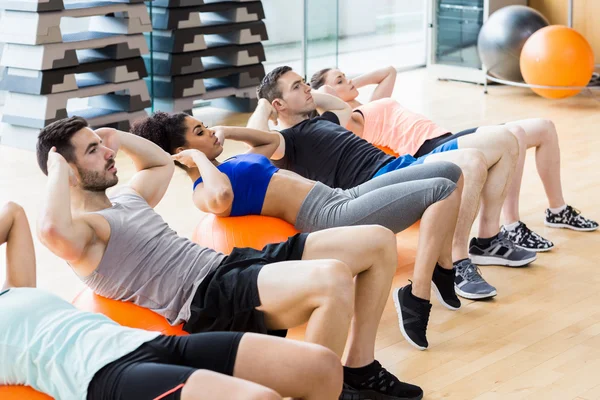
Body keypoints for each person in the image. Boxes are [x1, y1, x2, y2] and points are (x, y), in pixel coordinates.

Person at [35, 117, 424, 399]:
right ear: (67, 171)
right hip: (206, 298)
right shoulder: (85, 232)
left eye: (100, 145)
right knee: (333, 278)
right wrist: (56, 168)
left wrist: (115, 134)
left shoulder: (127, 197)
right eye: (92, 150)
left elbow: (157, 162)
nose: (107, 154)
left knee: (376, 240)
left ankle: (358, 368)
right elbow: (51, 230)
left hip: (228, 266)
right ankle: (324, 387)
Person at [131, 111, 463, 350]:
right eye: (200, 133)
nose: (210, 135)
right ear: (182, 153)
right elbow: (221, 198)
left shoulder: (229, 166)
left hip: (340, 195)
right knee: (440, 189)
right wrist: (195, 160)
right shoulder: (204, 188)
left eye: (204, 127)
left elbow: (271, 141)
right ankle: (419, 293)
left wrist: (226, 131)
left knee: (449, 170)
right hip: (330, 215)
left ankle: (442, 268)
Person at [0, 201, 344, 400]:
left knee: (321, 366)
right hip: (103, 377)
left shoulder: (15, 288)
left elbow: (13, 214)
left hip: (145, 342)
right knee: (258, 399)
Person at [251, 65, 537, 302]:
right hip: (378, 183)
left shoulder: (324, 121)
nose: (306, 89)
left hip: (401, 165)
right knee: (471, 161)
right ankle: (457, 262)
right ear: (279, 104)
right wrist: (265, 106)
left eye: (304, 83)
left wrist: (307, 92)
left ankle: (486, 241)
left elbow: (338, 105)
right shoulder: (285, 142)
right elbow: (252, 143)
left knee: (505, 140)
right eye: (296, 87)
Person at [309, 66, 598, 251]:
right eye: (340, 79)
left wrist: (348, 84)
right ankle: (511, 226)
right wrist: (330, 90)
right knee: (517, 135)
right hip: (428, 151)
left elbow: (388, 72)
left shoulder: (370, 104)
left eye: (346, 74)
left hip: (447, 136)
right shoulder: (349, 122)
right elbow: (323, 95)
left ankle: (557, 210)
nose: (348, 79)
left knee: (544, 128)